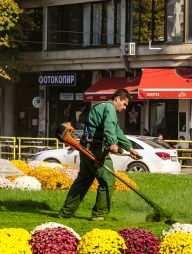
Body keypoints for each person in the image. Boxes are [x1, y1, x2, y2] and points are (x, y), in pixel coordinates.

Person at [58, 89, 141, 221]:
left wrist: (129, 148)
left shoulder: (103, 106)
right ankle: (99, 214)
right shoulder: (110, 108)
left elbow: (116, 131)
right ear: (117, 99)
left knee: (83, 181)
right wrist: (112, 143)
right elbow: (109, 127)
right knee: (108, 180)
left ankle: (66, 212)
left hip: (87, 147)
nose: (125, 108)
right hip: (95, 150)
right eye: (124, 104)